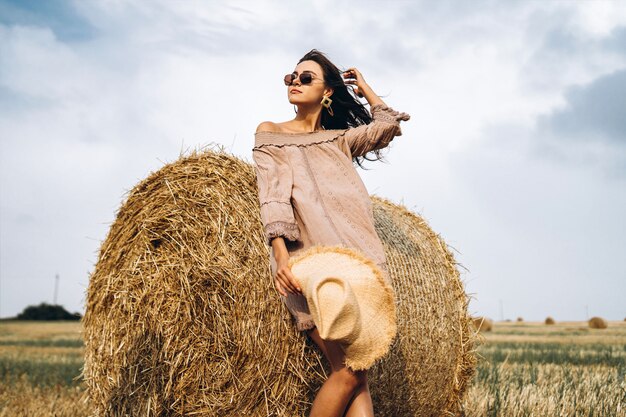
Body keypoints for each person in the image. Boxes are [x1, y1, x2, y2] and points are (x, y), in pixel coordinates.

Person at [252, 49, 410, 417]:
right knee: (349, 371)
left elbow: (387, 126)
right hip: (312, 260)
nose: (295, 82)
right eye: (291, 76)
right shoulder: (270, 133)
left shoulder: (339, 139)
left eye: (306, 77)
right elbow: (273, 195)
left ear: (327, 92)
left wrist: (365, 88)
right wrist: (281, 258)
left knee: (358, 371)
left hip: (358, 257)